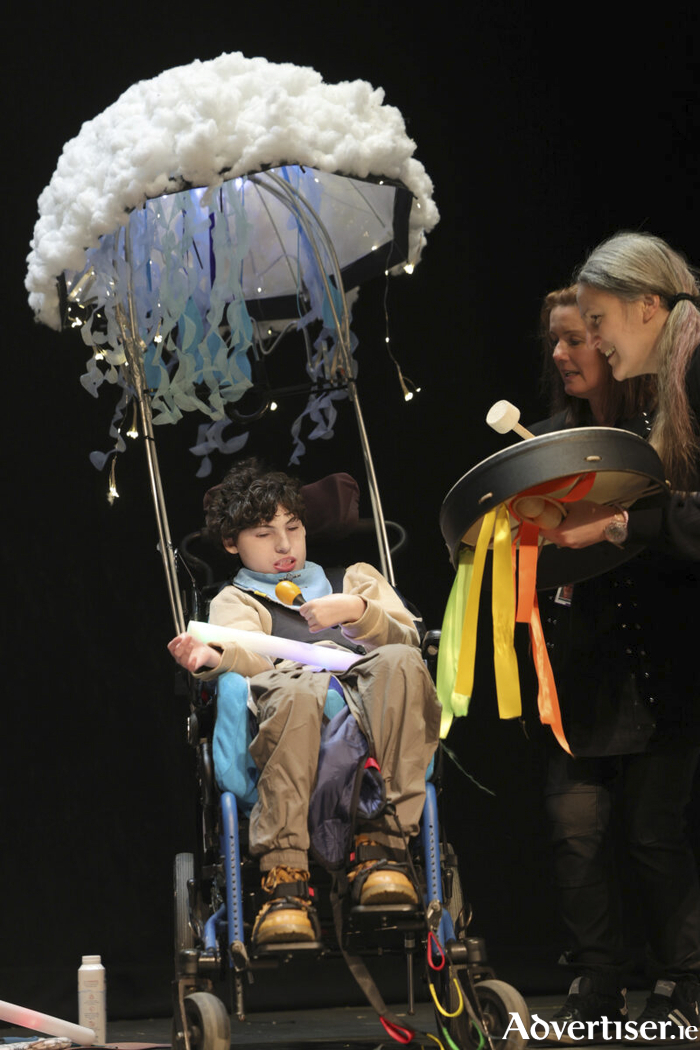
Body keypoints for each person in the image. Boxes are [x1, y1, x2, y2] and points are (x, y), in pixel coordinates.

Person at [532, 241, 700, 1041]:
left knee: (654, 832)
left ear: (647, 307)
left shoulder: (675, 396)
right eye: (567, 338)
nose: (584, 347)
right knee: (578, 828)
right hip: (587, 675)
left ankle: (687, 979)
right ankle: (599, 978)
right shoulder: (546, 446)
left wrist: (627, 521)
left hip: (665, 667)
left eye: (592, 327)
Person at [168, 458, 441, 947]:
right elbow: (246, 653)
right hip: (293, 714)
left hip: (369, 705)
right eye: (262, 534)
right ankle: (284, 876)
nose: (283, 546)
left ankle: (385, 846)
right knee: (292, 682)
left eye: (292, 528)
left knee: (400, 659)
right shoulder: (238, 601)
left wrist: (358, 611)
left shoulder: (353, 578)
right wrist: (214, 654)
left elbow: (409, 639)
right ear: (232, 543)